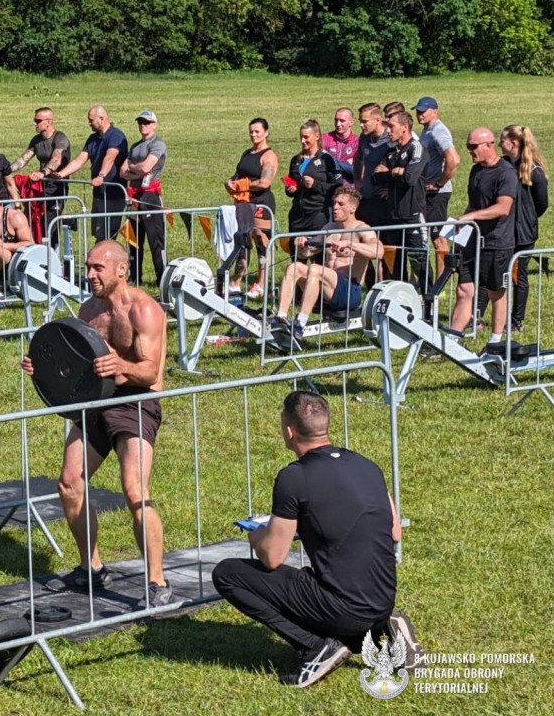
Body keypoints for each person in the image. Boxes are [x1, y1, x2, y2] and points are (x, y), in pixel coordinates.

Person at [212, 391, 420, 688]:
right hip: (382, 598)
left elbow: (273, 557)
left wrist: (257, 535)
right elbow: (395, 532)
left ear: (289, 431)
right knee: (353, 635)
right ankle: (385, 631)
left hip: (343, 605)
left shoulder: (294, 477)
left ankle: (315, 647)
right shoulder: (367, 465)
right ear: (326, 426)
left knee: (228, 574)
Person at [21, 240, 172, 605]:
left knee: (134, 488)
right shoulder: (89, 309)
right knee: (69, 483)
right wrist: (40, 368)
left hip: (135, 403)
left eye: (97, 268)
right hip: (94, 404)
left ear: (121, 269)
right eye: (88, 267)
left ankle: (157, 584)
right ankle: (92, 569)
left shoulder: (144, 311)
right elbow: (74, 361)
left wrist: (121, 366)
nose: (89, 275)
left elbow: (151, 372)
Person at [273, 188, 382, 341]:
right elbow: (306, 254)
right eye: (334, 203)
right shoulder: (330, 228)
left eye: (340, 204)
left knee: (315, 269)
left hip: (349, 292)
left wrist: (351, 245)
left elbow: (379, 251)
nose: (335, 207)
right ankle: (281, 318)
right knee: (294, 267)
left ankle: (300, 324)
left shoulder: (362, 229)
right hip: (327, 289)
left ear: (352, 208)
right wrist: (302, 245)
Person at [449, 128, 518, 344]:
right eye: (468, 146)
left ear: (489, 144)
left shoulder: (505, 173)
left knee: (495, 292)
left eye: (473, 146)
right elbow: (474, 203)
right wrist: (461, 232)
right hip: (473, 240)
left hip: (496, 242)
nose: (469, 151)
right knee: (463, 290)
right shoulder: (476, 171)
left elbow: (503, 208)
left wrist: (471, 216)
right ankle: (451, 341)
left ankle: (495, 341)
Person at [498, 125, 548, 332]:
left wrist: (526, 217)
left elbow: (542, 203)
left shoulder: (534, 172)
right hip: (504, 229)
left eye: (502, 140)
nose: (500, 144)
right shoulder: (504, 165)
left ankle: (517, 320)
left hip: (523, 233)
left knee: (519, 275)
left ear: (514, 143)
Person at [372, 111, 430, 291]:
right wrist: (394, 172)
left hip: (412, 215)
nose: (388, 131)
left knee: (419, 262)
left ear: (405, 127)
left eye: (391, 126)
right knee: (395, 265)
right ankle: (400, 299)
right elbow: (375, 177)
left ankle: (428, 303)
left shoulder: (416, 148)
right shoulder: (391, 153)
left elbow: (409, 179)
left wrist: (392, 173)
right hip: (393, 217)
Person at [55, 105, 129, 241]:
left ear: (101, 119)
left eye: (91, 120)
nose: (89, 123)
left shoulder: (116, 136)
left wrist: (101, 176)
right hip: (99, 194)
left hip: (113, 195)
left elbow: (110, 157)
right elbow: (79, 160)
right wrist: (61, 174)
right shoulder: (92, 138)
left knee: (107, 236)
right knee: (98, 233)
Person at [225, 118, 278, 298]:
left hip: (261, 203)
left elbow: (265, 182)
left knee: (261, 243)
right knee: (243, 241)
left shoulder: (269, 156)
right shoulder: (247, 153)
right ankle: (237, 281)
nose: (254, 135)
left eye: (257, 131)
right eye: (251, 132)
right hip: (243, 204)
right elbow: (238, 175)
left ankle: (261, 283)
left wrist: (242, 186)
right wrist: (230, 183)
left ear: (266, 132)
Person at [11, 107, 72, 247]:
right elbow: (23, 159)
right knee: (37, 222)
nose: (35, 124)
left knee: (51, 225)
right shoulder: (37, 140)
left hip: (57, 188)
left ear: (49, 122)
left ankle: (53, 257)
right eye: (34, 120)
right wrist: (6, 170)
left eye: (38, 121)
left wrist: (43, 173)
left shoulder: (60, 138)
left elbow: (56, 159)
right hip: (41, 188)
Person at [120, 111, 168, 285]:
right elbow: (122, 172)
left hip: (150, 196)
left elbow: (146, 167)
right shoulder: (135, 146)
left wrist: (133, 168)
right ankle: (135, 277)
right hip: (134, 196)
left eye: (147, 122)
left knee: (155, 239)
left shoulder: (158, 144)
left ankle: (162, 278)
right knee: (133, 238)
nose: (143, 125)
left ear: (154, 124)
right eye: (141, 122)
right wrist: (136, 172)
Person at [414, 97, 461, 259]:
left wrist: (439, 183)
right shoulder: (427, 130)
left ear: (435, 111)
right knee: (433, 235)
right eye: (418, 111)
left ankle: (441, 281)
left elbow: (454, 159)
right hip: (430, 191)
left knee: (439, 238)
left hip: (437, 193)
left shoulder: (438, 131)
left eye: (423, 111)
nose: (419, 114)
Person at [284, 120, 341, 237]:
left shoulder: (327, 159)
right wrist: (290, 189)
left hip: (318, 214)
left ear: (317, 136)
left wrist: (315, 184)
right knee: (296, 254)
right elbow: (292, 184)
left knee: (319, 252)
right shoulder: (296, 160)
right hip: (297, 216)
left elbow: (337, 187)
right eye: (301, 137)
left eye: (306, 137)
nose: (302, 141)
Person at [352, 103, 391, 228]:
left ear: (378, 120)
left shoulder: (391, 138)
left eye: (365, 121)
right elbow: (358, 158)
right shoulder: (364, 137)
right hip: (366, 194)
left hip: (383, 198)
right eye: (360, 121)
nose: (361, 125)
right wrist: (357, 181)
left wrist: (392, 188)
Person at [322, 107, 358, 183]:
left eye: (342, 121)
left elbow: (357, 171)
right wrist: (346, 164)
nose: (338, 124)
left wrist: (330, 161)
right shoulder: (325, 139)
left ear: (351, 122)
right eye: (336, 120)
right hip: (328, 185)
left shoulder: (357, 142)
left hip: (349, 188)